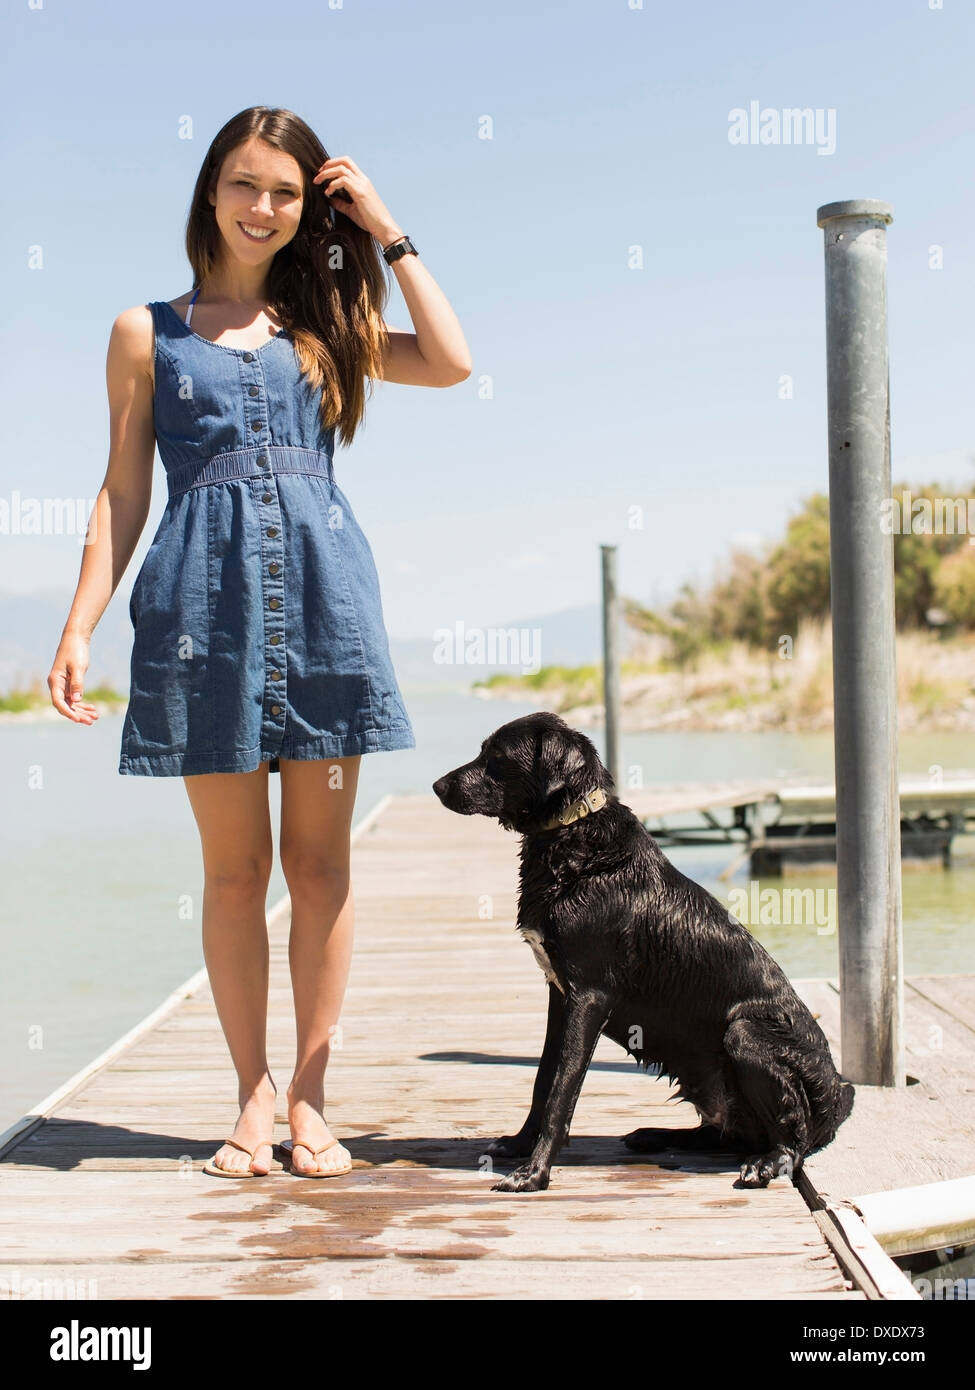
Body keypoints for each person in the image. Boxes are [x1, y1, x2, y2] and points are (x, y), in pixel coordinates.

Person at [46, 107, 471, 1179]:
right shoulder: (146, 331)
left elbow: (455, 363)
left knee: (319, 868)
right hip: (201, 617)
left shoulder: (327, 320)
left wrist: (388, 234)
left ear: (308, 206)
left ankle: (312, 1103)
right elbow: (123, 489)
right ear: (210, 191)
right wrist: (79, 621)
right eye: (244, 184)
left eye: (285, 191)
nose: (262, 207)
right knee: (235, 872)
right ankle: (249, 1096)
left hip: (327, 607)